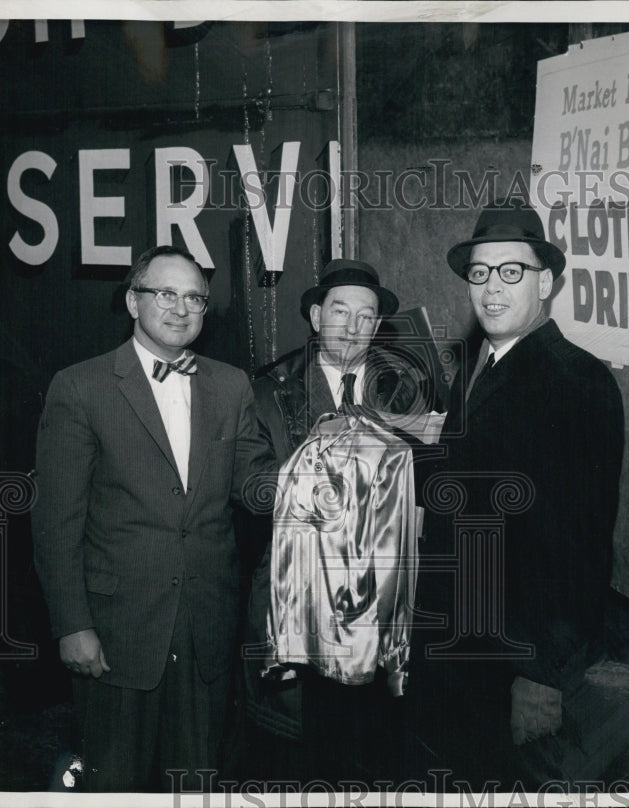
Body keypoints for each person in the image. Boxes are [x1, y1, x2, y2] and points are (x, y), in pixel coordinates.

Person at [31, 245, 274, 792]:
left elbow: (256, 486)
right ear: (132, 301)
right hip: (116, 636)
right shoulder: (80, 386)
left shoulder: (231, 384)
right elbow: (56, 522)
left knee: (197, 785)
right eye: (166, 293)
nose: (181, 308)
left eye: (195, 298)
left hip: (206, 630)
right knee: (113, 786)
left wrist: (328, 473)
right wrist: (72, 624)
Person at [407, 201, 625, 790]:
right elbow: (462, 474)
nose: (491, 289)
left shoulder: (575, 381)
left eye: (511, 271)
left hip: (514, 662)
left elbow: (579, 546)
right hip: (460, 650)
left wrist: (542, 675)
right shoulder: (482, 363)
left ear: (546, 282)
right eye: (480, 273)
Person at [239, 258, 432, 785]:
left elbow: (430, 496)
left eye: (366, 316)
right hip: (298, 608)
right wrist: (325, 464)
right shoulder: (269, 390)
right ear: (315, 315)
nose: (352, 326)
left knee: (374, 765)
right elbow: (252, 491)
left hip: (382, 615)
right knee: (300, 769)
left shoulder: (405, 391)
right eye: (340, 311)